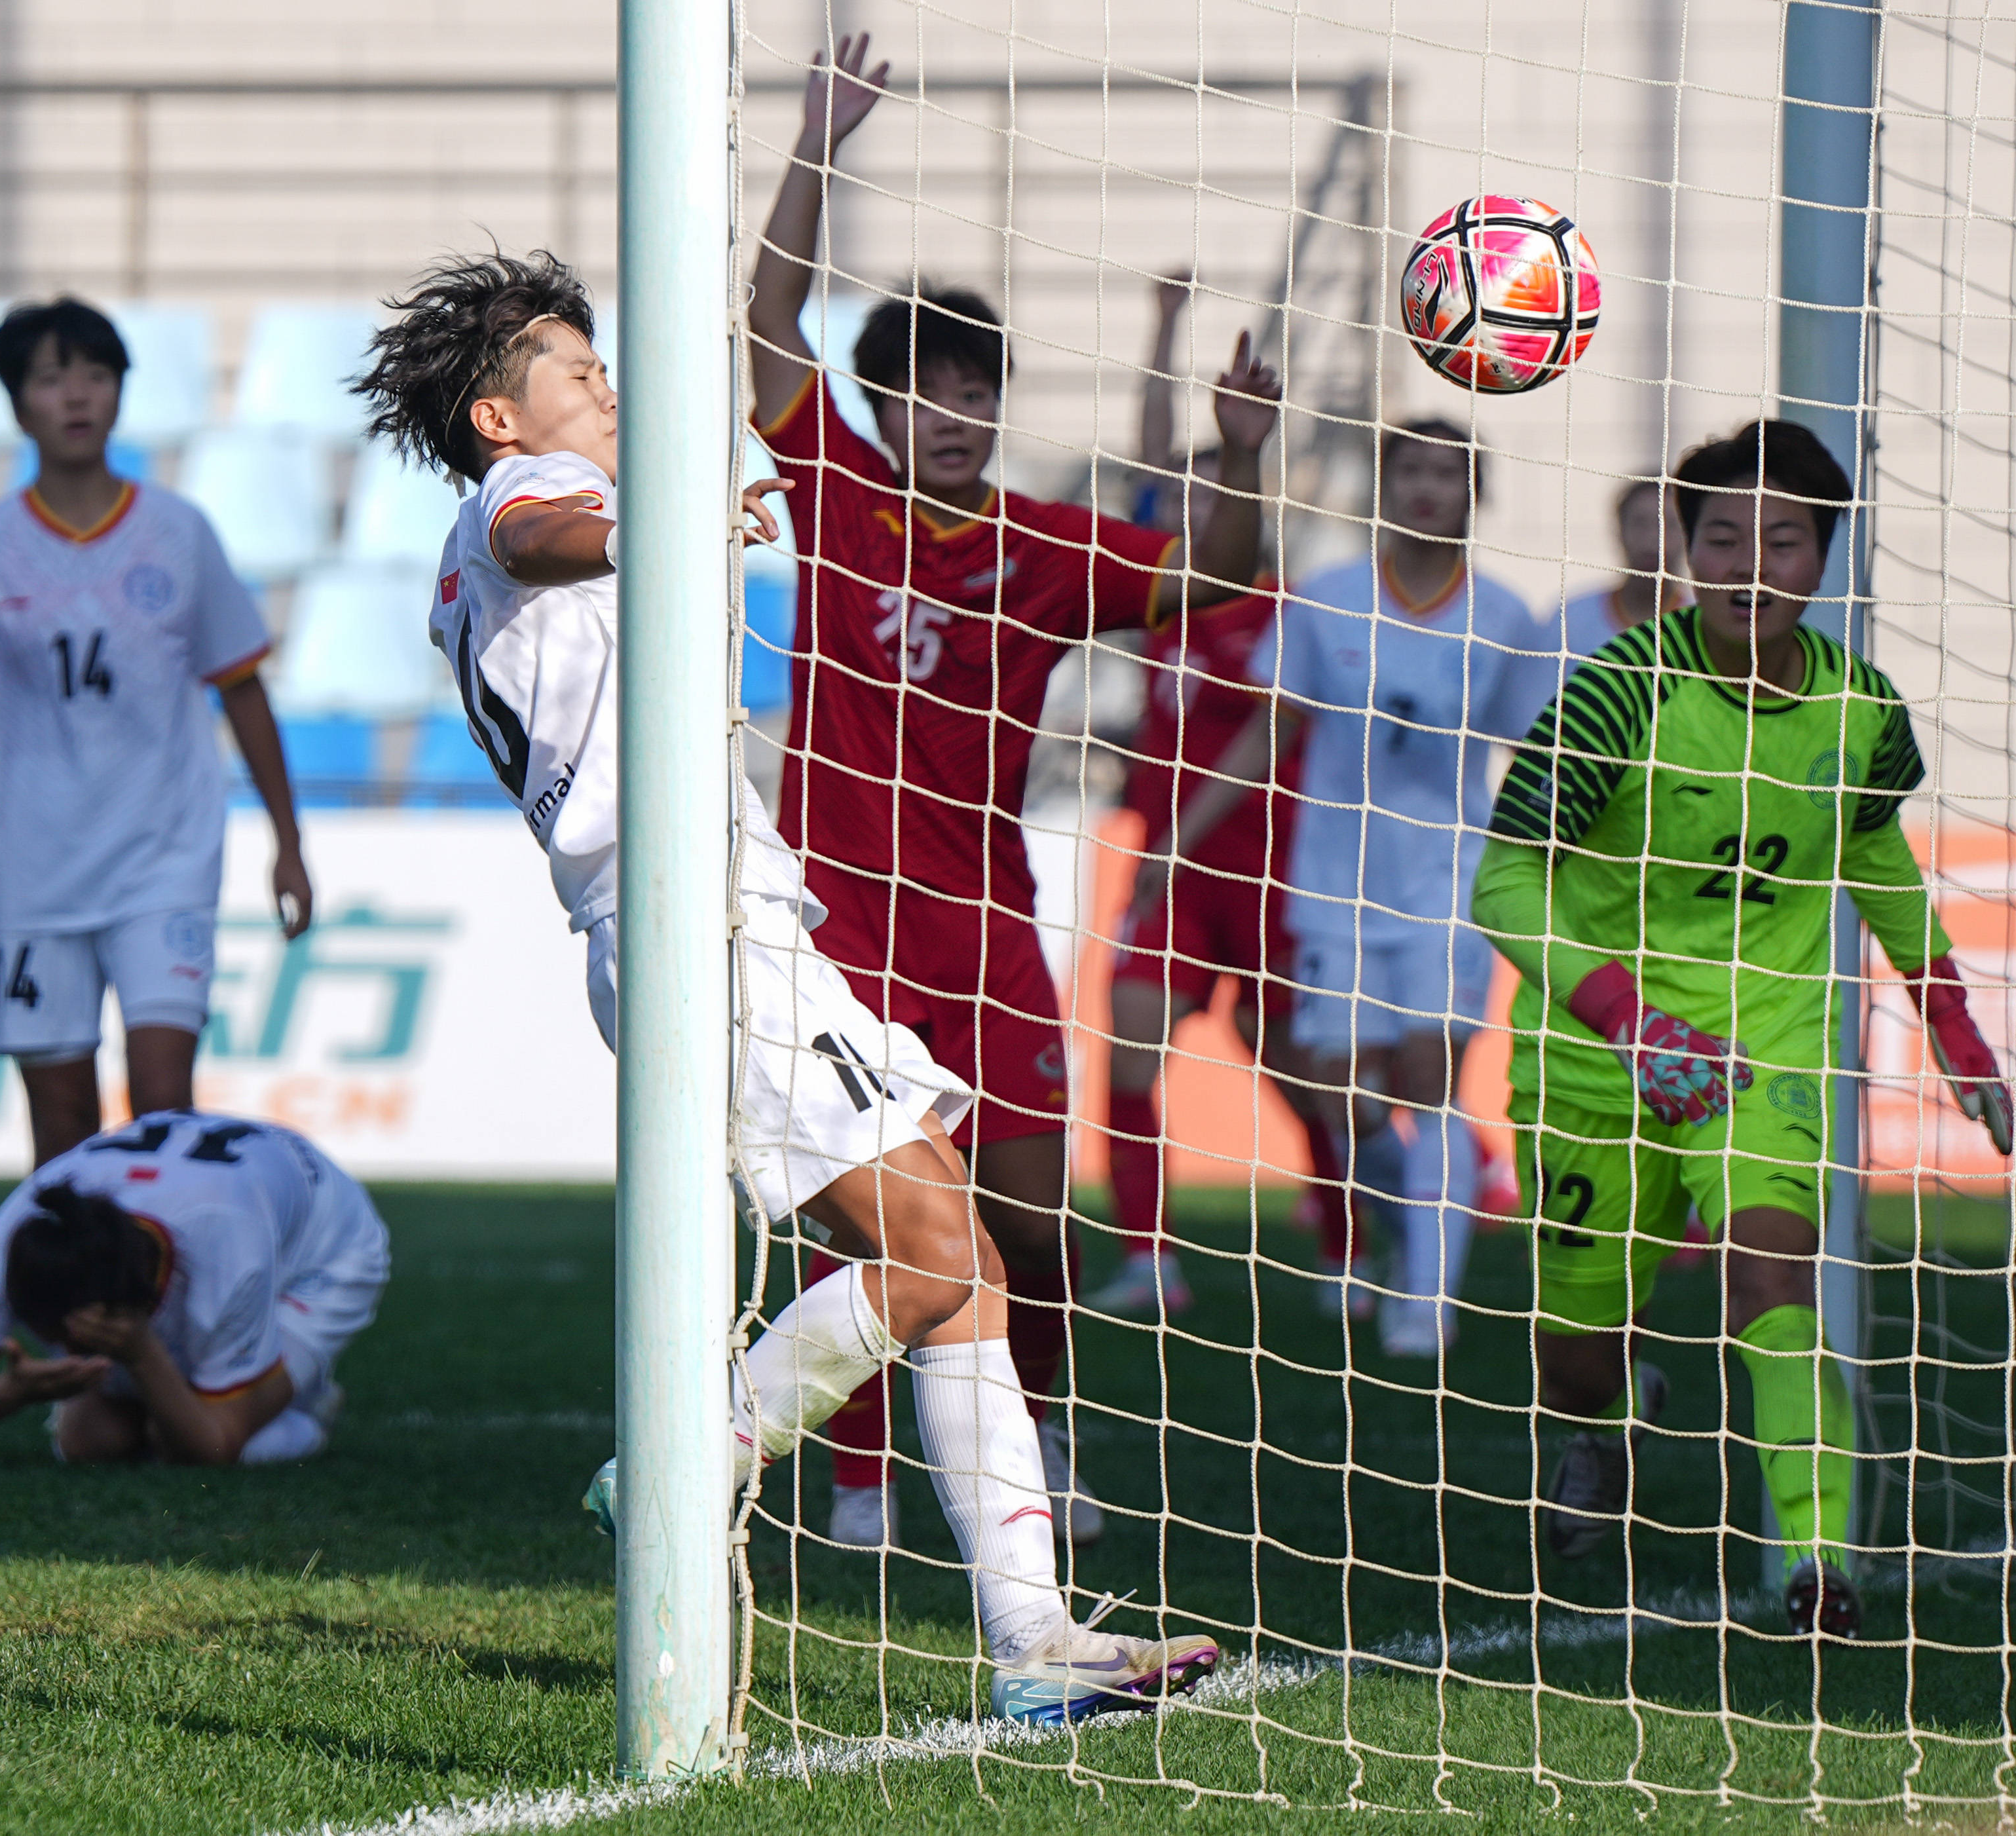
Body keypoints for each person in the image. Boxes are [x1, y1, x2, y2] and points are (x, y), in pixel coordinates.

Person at [350, 247, 1220, 1724]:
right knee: (938, 1255)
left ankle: (1033, 1641)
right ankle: (685, 1468)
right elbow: (546, 531)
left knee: (963, 1265)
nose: (605, 389)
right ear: (499, 418)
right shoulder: (517, 498)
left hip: (729, 923)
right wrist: (652, 521)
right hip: (698, 932)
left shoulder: (516, 529)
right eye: (576, 372)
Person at [749, 35, 1280, 1548]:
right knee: (867, 1217)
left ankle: (1029, 1459)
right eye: (924, 393)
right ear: (879, 405)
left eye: (974, 392)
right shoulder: (832, 488)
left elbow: (1218, 572)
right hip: (843, 932)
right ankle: (859, 1482)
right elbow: (767, 312)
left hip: (988, 930)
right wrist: (817, 143)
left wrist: (1238, 456)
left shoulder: (1044, 545)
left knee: (1035, 1230)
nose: (952, 414)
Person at [1472, 419, 2015, 1638]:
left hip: (1760, 1048)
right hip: (1593, 1058)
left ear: (1820, 556)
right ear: (1684, 549)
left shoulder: (1858, 708)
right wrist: (1627, 1019)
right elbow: (1501, 881)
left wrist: (1947, 1014)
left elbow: (1872, 852)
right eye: (1722, 537)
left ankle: (1816, 1565)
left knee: (1771, 1279)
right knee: (1573, 1357)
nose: (1749, 565)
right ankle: (1607, 1421)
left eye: (1781, 540)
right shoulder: (1614, 691)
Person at [1150, 419, 1559, 1358]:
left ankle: (1427, 1299)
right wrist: (1177, 839)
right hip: (1333, 886)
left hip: (1449, 886)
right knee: (1340, 1095)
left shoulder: (1504, 615)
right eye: (1409, 470)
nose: (1425, 489)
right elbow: (1267, 732)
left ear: (1474, 494)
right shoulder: (1325, 600)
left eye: (1446, 474)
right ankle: (1420, 1226)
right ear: (1383, 486)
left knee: (1431, 1080)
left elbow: (1534, 755)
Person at [0, 297, 312, 1169]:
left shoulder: (179, 533)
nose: (77, 395)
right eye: (51, 379)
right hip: (32, 871)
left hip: (162, 862)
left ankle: (165, 1259)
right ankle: (78, 1267)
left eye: (95, 374)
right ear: (18, 406)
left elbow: (243, 690)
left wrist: (288, 843)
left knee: (162, 1099)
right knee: (62, 1127)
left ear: (120, 391)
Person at [1085, 273, 1340, 1324]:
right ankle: (1148, 1256)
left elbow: (1265, 737)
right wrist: (1161, 328)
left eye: (1208, 497)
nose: (1185, 510)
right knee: (1127, 1037)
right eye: (1180, 500)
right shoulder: (1165, 603)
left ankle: (1346, 1243)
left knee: (1295, 1064)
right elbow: (1146, 464)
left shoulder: (1281, 610)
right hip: (1172, 875)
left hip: (1270, 871)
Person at [0, 1111, 384, 1465]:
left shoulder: (227, 1248)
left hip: (324, 1250)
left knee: (188, 1444)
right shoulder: (13, 1241)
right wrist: (10, 1391)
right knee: (92, 1443)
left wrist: (143, 1354)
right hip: (221, 1194)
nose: (68, 1349)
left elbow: (214, 1446)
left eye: (84, 1337)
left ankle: (303, 1411)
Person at [1556, 476, 1687, 664]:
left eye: (1668, 525)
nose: (1653, 539)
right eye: (1640, 523)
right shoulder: (1570, 621)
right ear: (1619, 532)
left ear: (1688, 536)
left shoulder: (1708, 625)